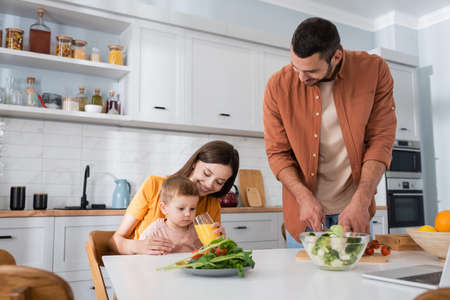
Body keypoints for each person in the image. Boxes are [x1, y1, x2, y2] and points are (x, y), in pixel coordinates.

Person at [263, 17, 396, 247]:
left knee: (358, 281)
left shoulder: (374, 71)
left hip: (356, 210)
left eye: (311, 71)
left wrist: (362, 201)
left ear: (336, 56)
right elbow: (277, 153)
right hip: (306, 216)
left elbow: (381, 141)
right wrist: (304, 198)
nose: (301, 78)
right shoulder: (277, 86)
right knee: (304, 282)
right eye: (295, 67)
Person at [110, 140, 239, 255]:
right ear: (194, 163)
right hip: (143, 269)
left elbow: (211, 252)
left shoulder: (211, 204)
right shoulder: (154, 186)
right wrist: (137, 246)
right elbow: (114, 242)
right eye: (206, 173)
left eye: (219, 182)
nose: (209, 184)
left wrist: (219, 244)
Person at [139, 175, 203, 254]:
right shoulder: (155, 230)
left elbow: (210, 251)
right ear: (164, 208)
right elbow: (141, 253)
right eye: (181, 209)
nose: (188, 214)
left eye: (192, 209)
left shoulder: (198, 230)